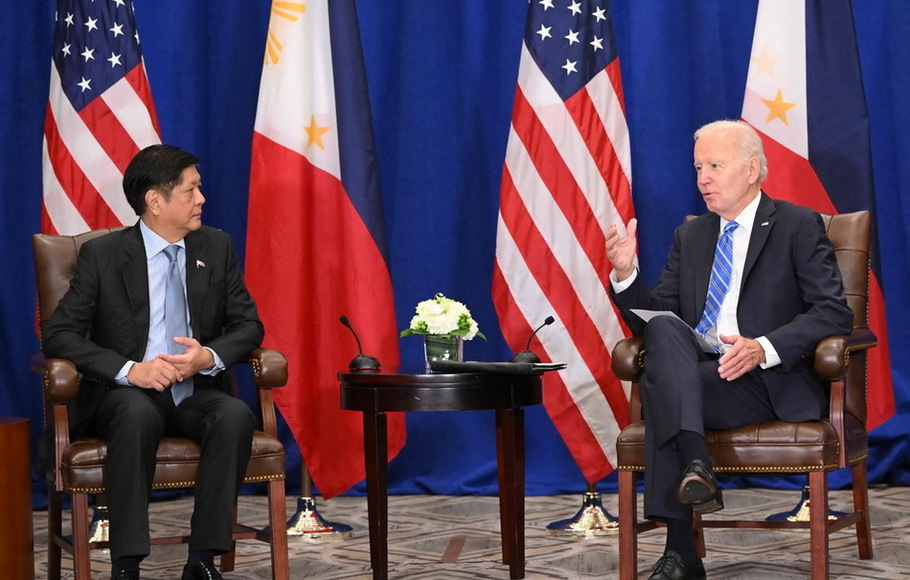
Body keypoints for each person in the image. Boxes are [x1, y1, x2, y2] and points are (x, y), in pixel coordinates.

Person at [605, 120, 853, 580]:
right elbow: (658, 314)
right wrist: (626, 274)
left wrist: (764, 347)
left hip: (764, 380)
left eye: (715, 165)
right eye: (699, 167)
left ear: (752, 169)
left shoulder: (797, 225)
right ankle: (695, 463)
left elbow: (834, 313)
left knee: (663, 386)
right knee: (665, 335)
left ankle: (680, 551)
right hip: (699, 372)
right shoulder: (692, 235)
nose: (703, 178)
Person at [43, 144, 264, 580]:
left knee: (235, 415)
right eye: (192, 190)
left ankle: (202, 560)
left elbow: (248, 326)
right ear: (155, 200)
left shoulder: (215, 247)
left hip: (195, 390)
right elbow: (58, 333)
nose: (202, 199)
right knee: (134, 413)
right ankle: (127, 563)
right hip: (125, 393)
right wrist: (130, 370)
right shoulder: (104, 256)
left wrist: (208, 356)